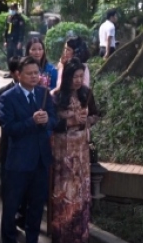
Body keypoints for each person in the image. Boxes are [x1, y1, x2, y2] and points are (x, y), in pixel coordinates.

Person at [0, 56, 57, 243]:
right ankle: (9, 239)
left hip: (40, 160)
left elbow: (55, 121)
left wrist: (48, 121)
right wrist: (31, 122)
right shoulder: (8, 97)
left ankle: (32, 239)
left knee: (36, 206)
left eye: (36, 73)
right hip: (18, 161)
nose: (34, 77)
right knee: (11, 206)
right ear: (18, 74)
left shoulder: (44, 93)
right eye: (29, 73)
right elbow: (8, 128)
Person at [49, 58, 99, 242]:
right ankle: (62, 233)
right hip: (62, 149)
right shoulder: (55, 96)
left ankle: (80, 234)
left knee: (80, 190)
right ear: (67, 76)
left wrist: (86, 121)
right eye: (74, 76)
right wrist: (70, 120)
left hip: (81, 150)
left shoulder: (86, 93)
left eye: (80, 76)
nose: (78, 80)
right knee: (64, 191)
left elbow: (95, 114)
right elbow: (51, 123)